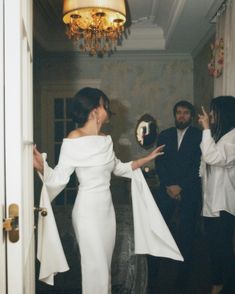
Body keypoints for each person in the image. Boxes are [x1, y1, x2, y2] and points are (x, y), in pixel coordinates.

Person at [33, 87, 183, 294]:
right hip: (87, 213)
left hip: (107, 212)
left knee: (105, 269)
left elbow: (119, 167)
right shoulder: (73, 138)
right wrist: (42, 167)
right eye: (105, 105)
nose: (108, 109)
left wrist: (145, 159)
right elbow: (59, 178)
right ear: (95, 110)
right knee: (95, 270)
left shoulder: (106, 139)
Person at [153, 100, 202, 287]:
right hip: (166, 190)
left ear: (191, 116)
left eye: (186, 113)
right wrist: (169, 185)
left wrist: (180, 186)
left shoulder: (199, 136)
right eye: (179, 112)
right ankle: (155, 269)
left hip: (189, 191)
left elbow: (197, 165)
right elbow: (159, 162)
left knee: (187, 234)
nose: (182, 116)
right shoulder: (164, 135)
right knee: (159, 228)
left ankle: (184, 275)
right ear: (174, 115)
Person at [198, 96, 235, 294]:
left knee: (223, 250)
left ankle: (224, 287)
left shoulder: (233, 137)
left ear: (224, 112)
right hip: (211, 204)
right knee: (213, 249)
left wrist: (205, 129)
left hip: (223, 205)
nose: (210, 115)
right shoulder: (221, 135)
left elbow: (213, 157)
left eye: (213, 111)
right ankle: (217, 283)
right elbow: (204, 167)